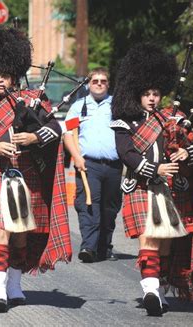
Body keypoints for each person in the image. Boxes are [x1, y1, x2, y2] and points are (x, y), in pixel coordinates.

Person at [0, 25, 72, 312]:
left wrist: (34, 137)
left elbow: (56, 129)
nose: (1, 81)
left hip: (25, 174)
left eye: (6, 76)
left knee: (21, 233)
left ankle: (14, 283)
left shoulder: (32, 102)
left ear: (15, 76)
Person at [110, 43, 193, 316]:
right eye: (146, 94)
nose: (152, 98)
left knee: (165, 242)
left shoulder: (173, 118)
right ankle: (150, 289)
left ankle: (159, 287)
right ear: (137, 94)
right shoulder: (125, 121)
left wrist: (187, 152)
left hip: (169, 189)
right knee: (149, 238)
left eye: (155, 93)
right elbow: (126, 153)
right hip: (141, 185)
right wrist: (156, 169)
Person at [63, 67, 122, 263]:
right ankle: (88, 246)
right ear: (89, 84)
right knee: (88, 205)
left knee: (110, 208)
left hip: (114, 166)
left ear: (108, 84)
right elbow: (68, 134)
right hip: (88, 165)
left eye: (102, 81)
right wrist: (76, 158)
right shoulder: (78, 106)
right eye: (95, 80)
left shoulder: (117, 106)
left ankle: (104, 247)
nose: (98, 83)